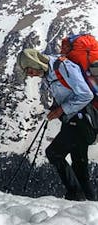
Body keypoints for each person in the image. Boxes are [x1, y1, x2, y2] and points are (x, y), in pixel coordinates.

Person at [18, 46, 97, 201]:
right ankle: (88, 203)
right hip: (73, 120)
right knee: (79, 166)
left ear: (35, 62)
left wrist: (61, 109)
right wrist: (56, 107)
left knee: (54, 153)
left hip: (81, 120)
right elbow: (67, 93)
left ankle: (76, 195)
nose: (31, 75)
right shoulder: (48, 72)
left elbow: (86, 95)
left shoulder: (63, 67)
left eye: (29, 70)